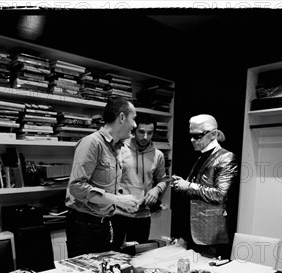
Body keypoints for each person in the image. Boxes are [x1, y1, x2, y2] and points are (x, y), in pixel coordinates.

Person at [65, 99, 140, 257]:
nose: (135, 125)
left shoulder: (116, 147)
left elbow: (103, 188)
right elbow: (77, 187)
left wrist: (122, 201)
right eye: (133, 118)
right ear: (121, 117)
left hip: (104, 224)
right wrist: (118, 200)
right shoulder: (92, 143)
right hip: (84, 227)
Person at [172, 114, 238, 259]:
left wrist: (188, 185)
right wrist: (181, 185)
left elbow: (220, 194)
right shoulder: (202, 156)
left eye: (198, 136)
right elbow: (195, 188)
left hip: (208, 233)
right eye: (191, 135)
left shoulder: (226, 157)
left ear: (213, 134)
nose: (192, 140)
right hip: (190, 229)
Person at [111, 114, 169, 249]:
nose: (145, 137)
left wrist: (157, 189)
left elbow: (163, 180)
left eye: (150, 133)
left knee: (138, 256)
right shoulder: (119, 149)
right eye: (141, 132)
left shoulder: (158, 155)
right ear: (134, 130)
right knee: (113, 255)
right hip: (118, 213)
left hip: (143, 215)